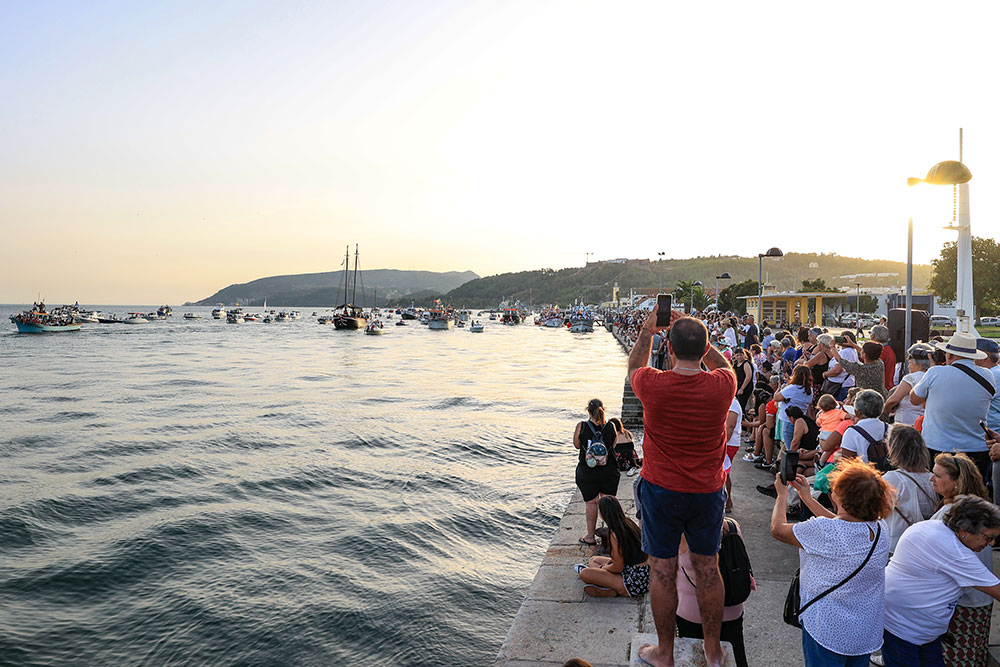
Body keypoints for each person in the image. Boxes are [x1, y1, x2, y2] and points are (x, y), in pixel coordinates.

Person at [627, 305, 736, 667]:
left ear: (668, 350)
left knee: (662, 570)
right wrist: (705, 340)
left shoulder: (653, 385)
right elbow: (727, 367)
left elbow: (634, 369)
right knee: (708, 568)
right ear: (704, 350)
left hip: (662, 490)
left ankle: (665, 652)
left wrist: (647, 331)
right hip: (707, 491)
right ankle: (714, 649)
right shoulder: (722, 386)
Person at [770, 459, 892, 666]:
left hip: (827, 628)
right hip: (863, 631)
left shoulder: (824, 531)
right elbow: (840, 523)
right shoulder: (880, 529)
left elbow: (778, 529)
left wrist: (782, 496)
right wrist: (807, 498)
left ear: (842, 498)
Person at [882, 495, 1000, 666]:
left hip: (909, 627)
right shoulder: (956, 553)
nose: (991, 543)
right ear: (965, 530)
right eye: (988, 537)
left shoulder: (928, 526)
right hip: (903, 630)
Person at [927, 454, 993, 667]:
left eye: (937, 475)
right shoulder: (978, 508)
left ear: (956, 483)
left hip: (962, 603)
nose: (931, 479)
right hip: (979, 599)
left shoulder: (951, 514)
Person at [910, 331, 997, 483]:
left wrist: (933, 371)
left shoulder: (935, 372)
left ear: (949, 355)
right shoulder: (988, 375)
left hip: (939, 447)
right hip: (977, 450)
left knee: (941, 494)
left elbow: (914, 399)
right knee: (973, 496)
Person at [675, 521, 750, 667]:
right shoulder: (733, 526)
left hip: (693, 613)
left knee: (693, 660)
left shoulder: (681, 534)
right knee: (736, 657)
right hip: (732, 609)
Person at [575, 496, 649, 598]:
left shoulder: (615, 533)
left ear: (602, 514)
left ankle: (613, 590)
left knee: (584, 573)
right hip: (645, 573)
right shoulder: (628, 522)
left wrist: (604, 568)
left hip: (633, 581)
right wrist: (608, 564)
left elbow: (618, 567)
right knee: (593, 559)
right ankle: (607, 584)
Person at [881, 424, 935, 552]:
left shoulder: (893, 479)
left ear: (893, 449)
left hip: (897, 545)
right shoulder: (933, 478)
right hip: (925, 545)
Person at [573, 399, 618, 545]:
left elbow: (576, 445)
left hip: (588, 471)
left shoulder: (582, 426)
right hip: (609, 471)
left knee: (591, 503)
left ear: (588, 410)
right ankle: (612, 536)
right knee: (607, 503)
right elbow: (614, 445)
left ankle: (590, 536)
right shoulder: (611, 426)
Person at [882, 343, 933, 426]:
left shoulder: (911, 378)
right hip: (925, 423)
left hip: (906, 424)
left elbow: (893, 400)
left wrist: (886, 409)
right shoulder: (932, 376)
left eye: (910, 361)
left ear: (919, 364)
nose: (908, 364)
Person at [839, 389, 888, 464]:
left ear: (858, 412)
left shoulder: (852, 432)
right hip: (889, 474)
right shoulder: (890, 429)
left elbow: (847, 464)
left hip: (863, 474)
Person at [774, 366, 813, 448]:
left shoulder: (792, 388)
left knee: (789, 446)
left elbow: (777, 398)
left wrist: (779, 388)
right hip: (801, 419)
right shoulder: (809, 390)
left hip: (788, 419)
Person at [870, 325, 897, 393]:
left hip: (880, 389)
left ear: (873, 336)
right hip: (887, 386)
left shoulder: (880, 352)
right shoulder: (888, 350)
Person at [731, 347, 755, 413]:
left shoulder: (746, 363)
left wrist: (742, 388)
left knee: (742, 405)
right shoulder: (735, 364)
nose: (739, 357)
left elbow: (748, 377)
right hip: (738, 386)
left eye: (740, 355)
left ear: (744, 355)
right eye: (737, 355)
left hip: (745, 387)